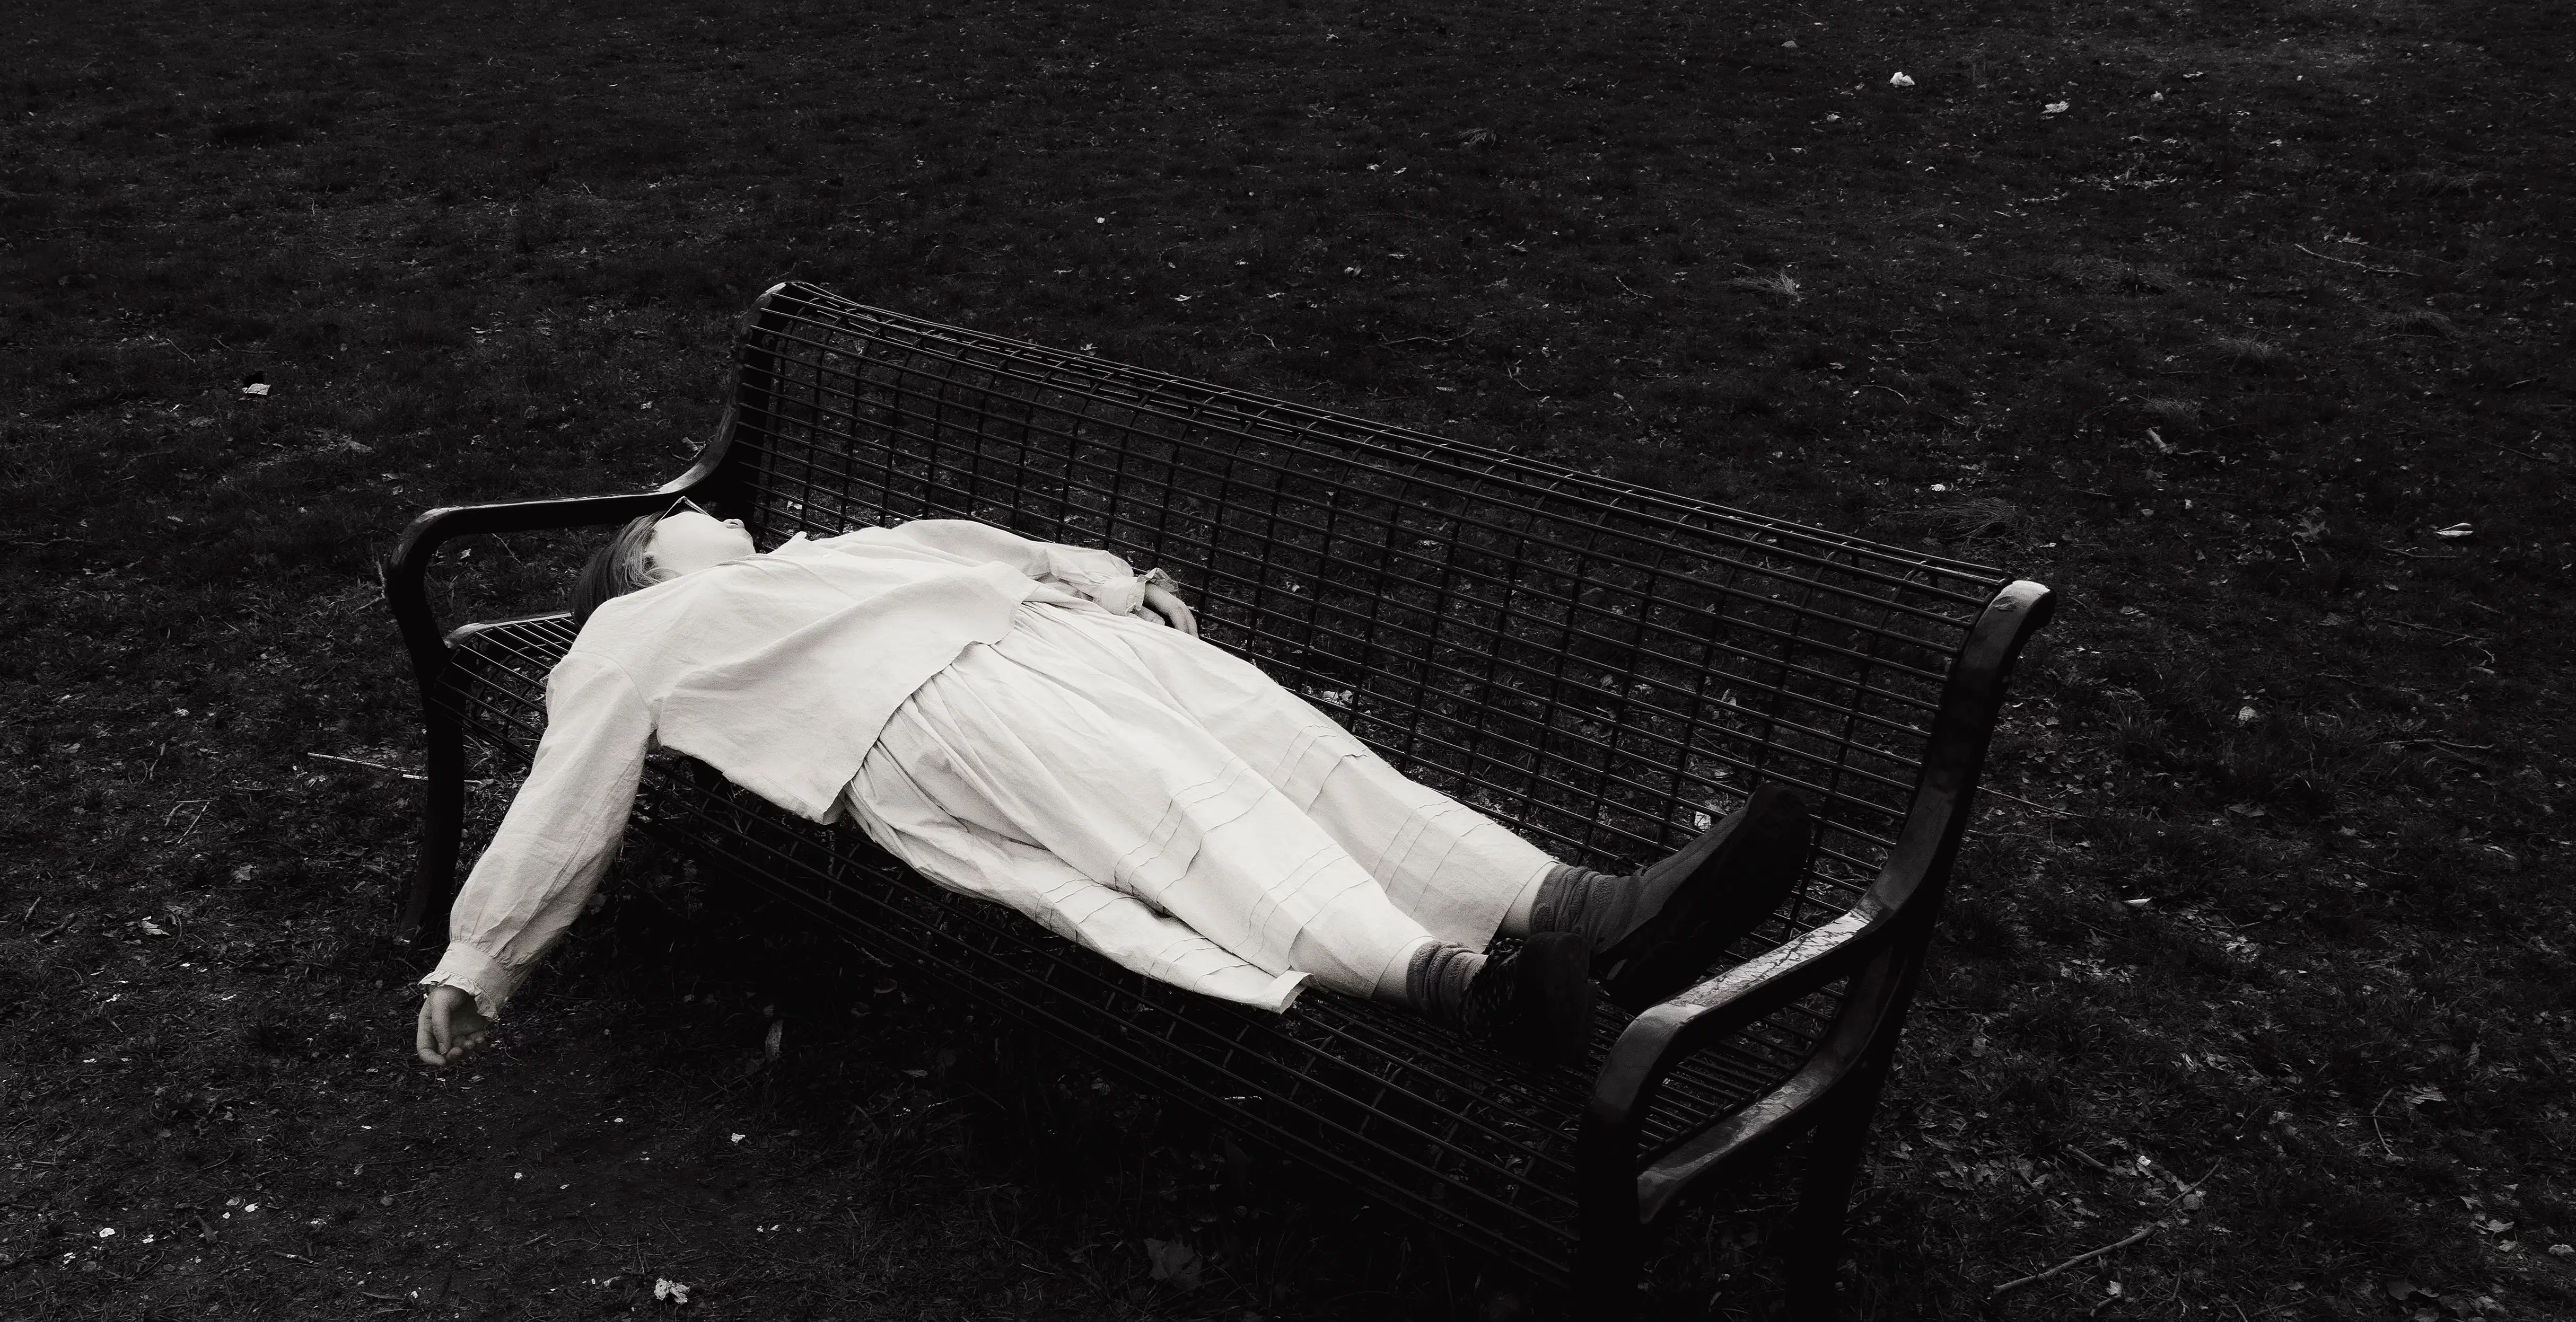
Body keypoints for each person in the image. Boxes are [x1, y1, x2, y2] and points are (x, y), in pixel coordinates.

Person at [414, 507, 1811, 1071]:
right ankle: (1470, 992)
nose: (715, 512)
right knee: (1195, 826)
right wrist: (484, 954)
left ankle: (1590, 911)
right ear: (653, 560)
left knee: (1310, 765)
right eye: (677, 517)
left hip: (1056, 643)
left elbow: (982, 541)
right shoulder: (638, 634)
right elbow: (570, 790)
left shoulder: (838, 549)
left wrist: (1098, 581)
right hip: (927, 711)